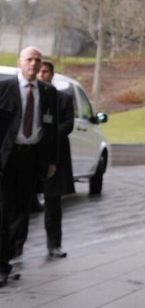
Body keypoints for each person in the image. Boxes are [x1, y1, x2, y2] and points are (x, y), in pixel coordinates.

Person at [0, 46, 58, 287]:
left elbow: (52, 128)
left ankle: (10, 256)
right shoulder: (5, 88)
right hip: (6, 158)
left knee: (21, 211)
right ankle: (2, 264)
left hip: (32, 158)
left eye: (37, 60)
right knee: (3, 210)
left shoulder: (48, 92)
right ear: (19, 63)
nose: (33, 64)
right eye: (29, 59)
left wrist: (52, 161)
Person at [10, 61, 75, 260]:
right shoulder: (23, 95)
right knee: (20, 205)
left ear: (51, 74)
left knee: (53, 203)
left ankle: (54, 244)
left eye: (45, 71)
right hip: (28, 158)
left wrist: (47, 135)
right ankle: (15, 247)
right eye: (40, 71)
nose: (41, 73)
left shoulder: (62, 98)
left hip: (52, 158)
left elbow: (67, 124)